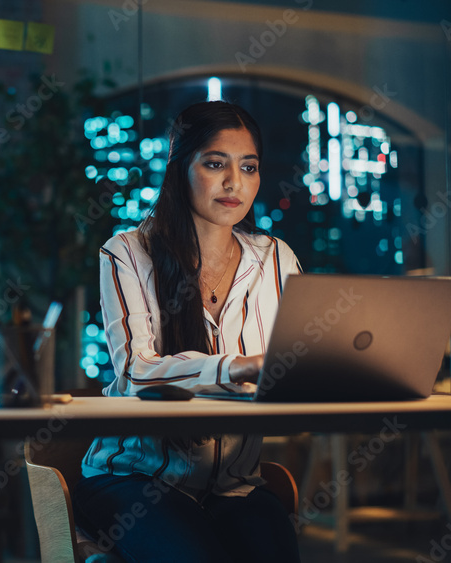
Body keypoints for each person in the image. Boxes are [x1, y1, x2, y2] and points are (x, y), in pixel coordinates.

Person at [74, 100, 303, 562]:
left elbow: (294, 364)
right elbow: (138, 372)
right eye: (216, 163)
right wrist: (238, 367)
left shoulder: (276, 258)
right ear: (181, 168)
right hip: (132, 480)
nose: (234, 182)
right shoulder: (128, 252)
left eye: (249, 167)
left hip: (234, 487)